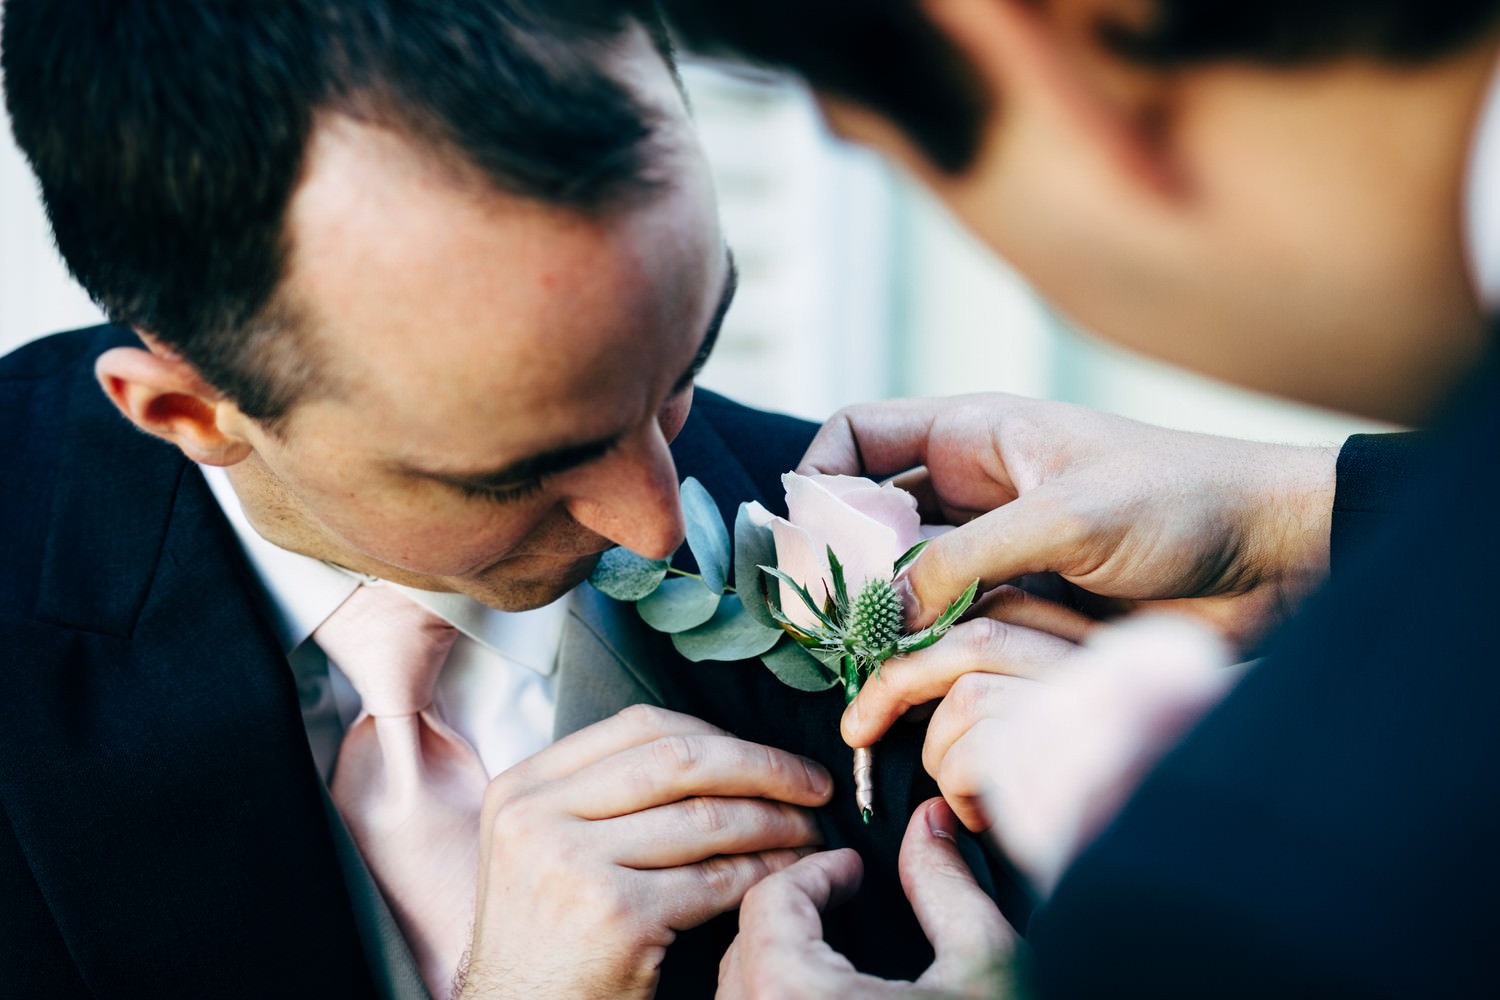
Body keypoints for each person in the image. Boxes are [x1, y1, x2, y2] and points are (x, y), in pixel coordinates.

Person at [0, 2, 984, 997]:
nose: (657, 522)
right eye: (514, 470)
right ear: (190, 410)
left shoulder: (940, 571)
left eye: (689, 353)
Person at [618, 0, 1500, 994]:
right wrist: (1297, 516)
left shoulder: (1276, 883)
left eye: (891, 154)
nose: (645, 520)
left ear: (1019, 39)